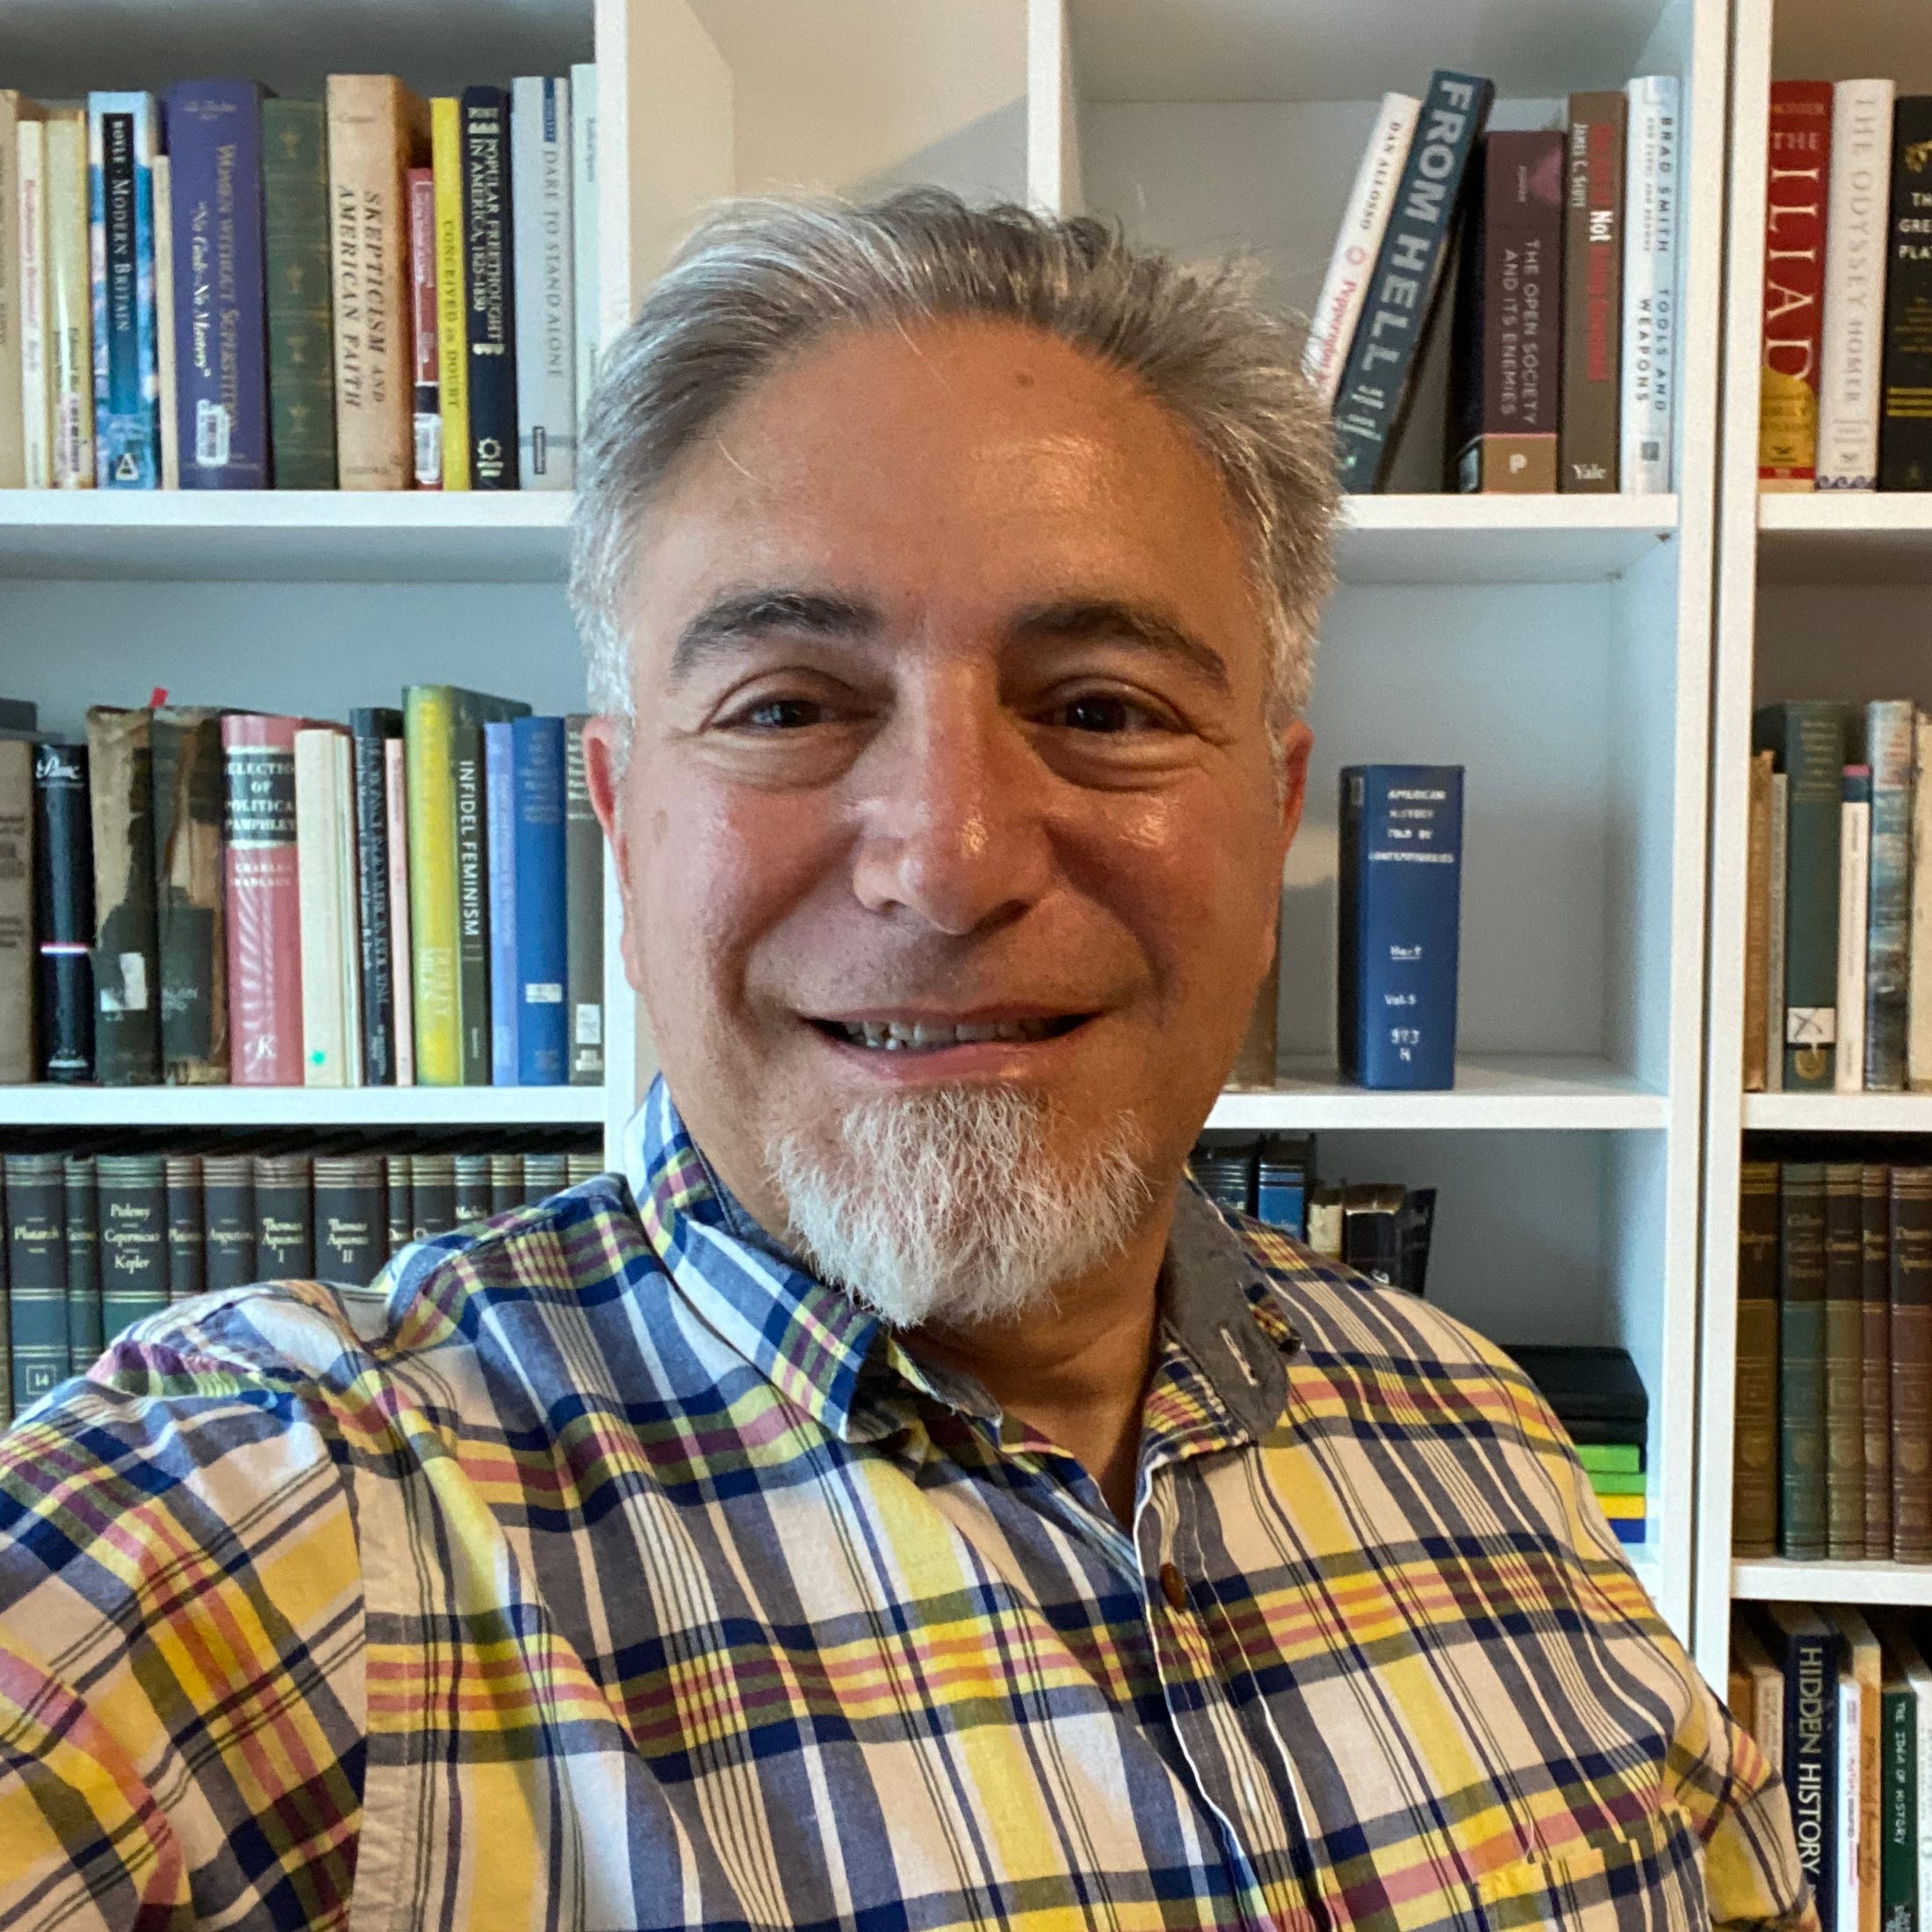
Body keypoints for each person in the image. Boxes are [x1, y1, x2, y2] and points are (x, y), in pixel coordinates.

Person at [0, 191, 1808, 1932]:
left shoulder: (1479, 1428)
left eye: (1099, 708)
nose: (947, 860)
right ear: (623, 823)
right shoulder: (300, 1505)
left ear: (1270, 822)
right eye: (788, 706)